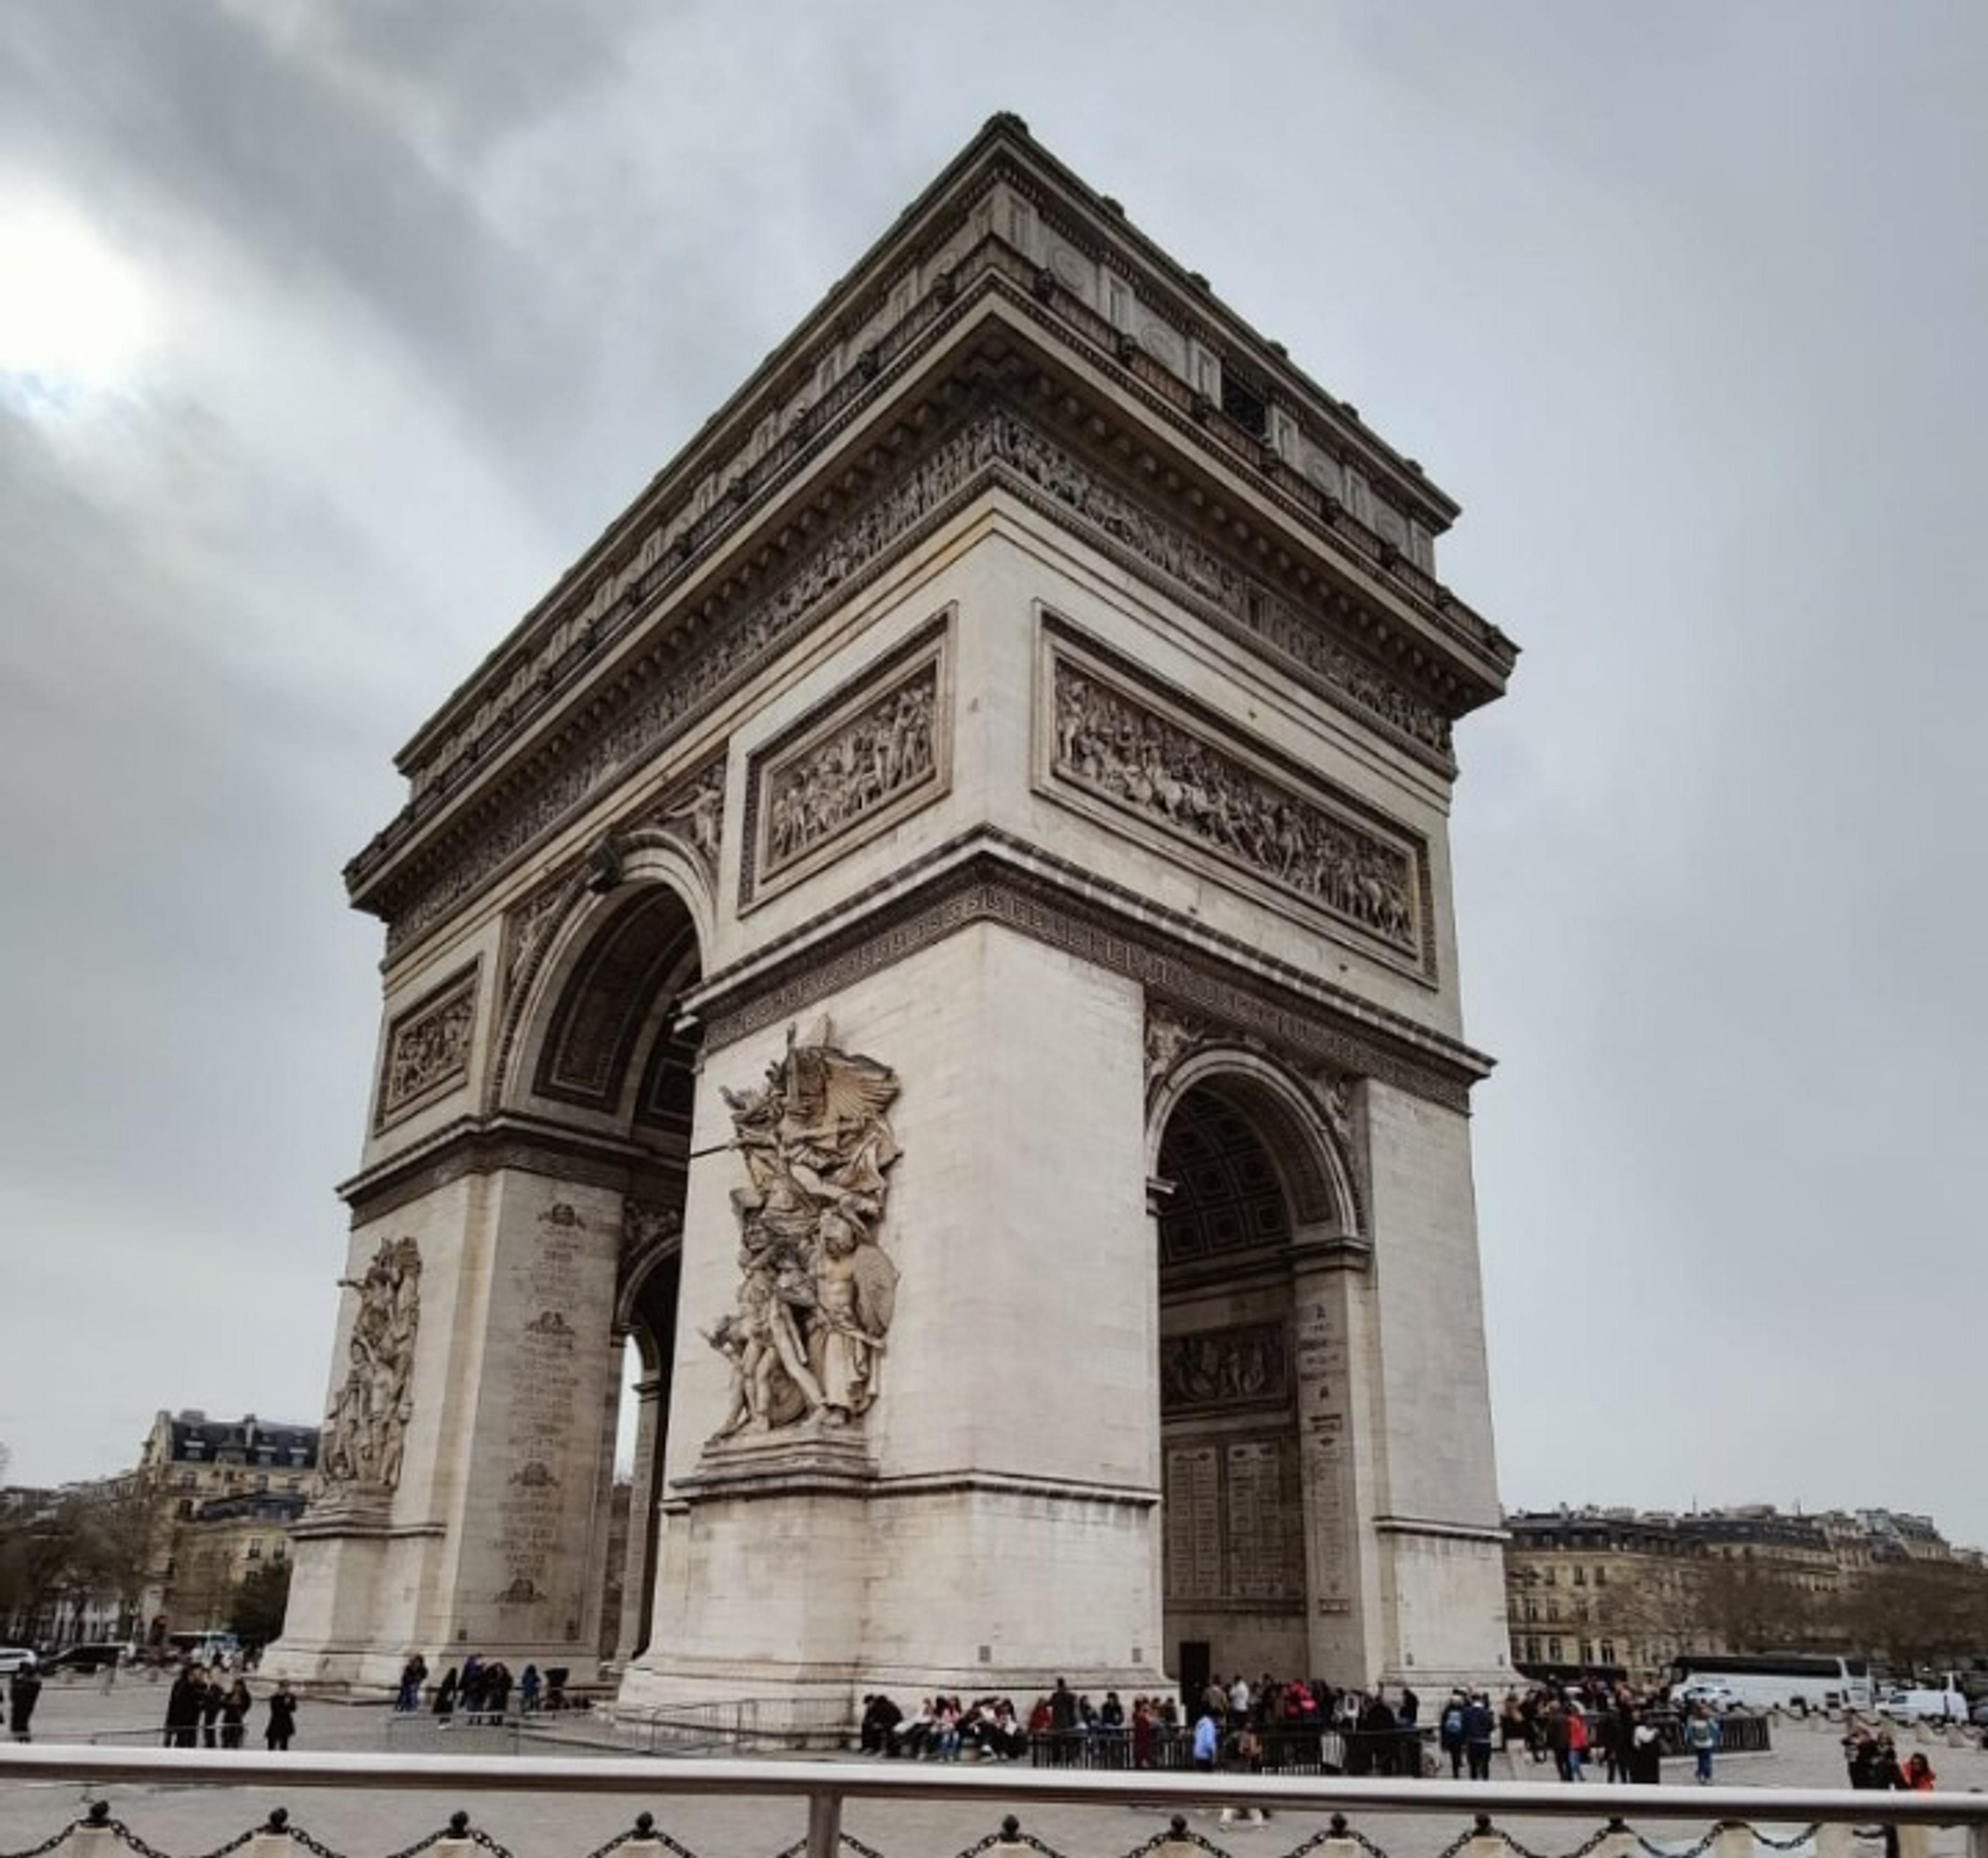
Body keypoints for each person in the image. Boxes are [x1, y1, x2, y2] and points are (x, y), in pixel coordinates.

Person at [164, 1665, 204, 1749]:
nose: (201, 1674)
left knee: (190, 1744)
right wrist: (169, 1724)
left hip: (192, 1722)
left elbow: (202, 1702)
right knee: (181, 1744)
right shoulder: (181, 1684)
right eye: (199, 1671)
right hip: (181, 1721)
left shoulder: (201, 1686)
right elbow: (174, 1704)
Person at [1683, 1704, 1719, 1784]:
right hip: (1708, 1743)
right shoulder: (1709, 1720)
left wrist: (1690, 1741)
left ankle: (1700, 1773)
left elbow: (1689, 1732)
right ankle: (1707, 1775)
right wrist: (1714, 1739)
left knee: (1700, 1759)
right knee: (1707, 1760)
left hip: (1697, 1743)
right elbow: (1716, 1729)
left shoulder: (1692, 1720)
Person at [8, 1657, 42, 1743]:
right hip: (25, 1685)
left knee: (22, 1713)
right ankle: (21, 1733)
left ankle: (20, 1733)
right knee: (21, 1713)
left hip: (27, 1686)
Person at [1463, 1693, 1496, 1782]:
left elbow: (1464, 1726)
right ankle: (1485, 1784)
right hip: (1485, 1742)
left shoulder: (1466, 1712)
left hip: (1472, 1742)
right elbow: (1492, 1727)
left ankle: (1474, 1785)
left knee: (1473, 1766)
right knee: (1485, 1765)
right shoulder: (1487, 1712)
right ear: (1481, 1701)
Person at [265, 1680, 298, 1752]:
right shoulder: (274, 1698)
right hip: (275, 1722)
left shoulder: (291, 1697)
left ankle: (283, 1759)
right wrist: (284, 1703)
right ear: (280, 1688)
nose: (285, 1689)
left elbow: (294, 1709)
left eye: (287, 1687)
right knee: (271, 1743)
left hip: (286, 1722)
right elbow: (274, 1709)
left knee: (284, 1744)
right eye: (284, 1687)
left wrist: (288, 1704)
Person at [221, 1679, 251, 1750]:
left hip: (238, 1723)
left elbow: (246, 1707)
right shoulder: (229, 1695)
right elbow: (223, 1705)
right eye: (236, 1686)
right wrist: (230, 1702)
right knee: (225, 1744)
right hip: (227, 1722)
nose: (237, 1689)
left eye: (239, 1687)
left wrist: (239, 1704)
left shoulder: (246, 1696)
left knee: (236, 1744)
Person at [1192, 1705, 1220, 1772]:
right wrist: (1213, 1755)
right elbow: (1209, 1741)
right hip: (1206, 1755)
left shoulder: (1200, 1723)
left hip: (1198, 1753)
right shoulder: (1210, 1725)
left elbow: (1195, 1736)